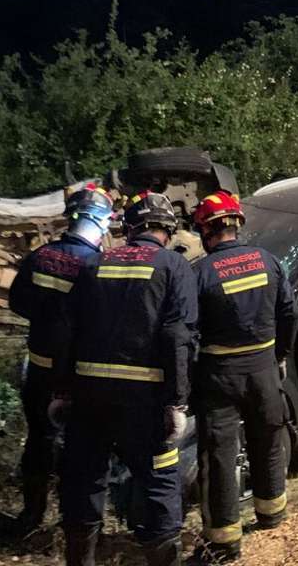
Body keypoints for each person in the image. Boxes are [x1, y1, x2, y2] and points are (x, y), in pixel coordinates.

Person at [58, 192, 198, 566]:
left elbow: (68, 331)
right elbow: (177, 336)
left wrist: (62, 391)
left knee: (86, 478)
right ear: (167, 230)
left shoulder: (94, 264)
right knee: (158, 480)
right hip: (145, 401)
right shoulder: (173, 267)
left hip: (89, 397)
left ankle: (80, 559)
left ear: (129, 228)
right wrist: (178, 401)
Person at [191, 191, 298, 563]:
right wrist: (280, 354)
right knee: (268, 437)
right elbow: (290, 312)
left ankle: (224, 542)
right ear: (236, 224)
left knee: (219, 456)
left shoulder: (200, 273)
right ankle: (272, 513)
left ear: (205, 230)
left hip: (219, 375)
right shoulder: (267, 260)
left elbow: (187, 331)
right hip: (264, 368)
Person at [7, 184, 113, 534]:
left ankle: (31, 516)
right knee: (79, 447)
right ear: (98, 222)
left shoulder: (40, 256)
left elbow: (17, 303)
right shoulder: (94, 265)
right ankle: (74, 523)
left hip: (38, 370)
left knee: (38, 441)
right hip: (77, 376)